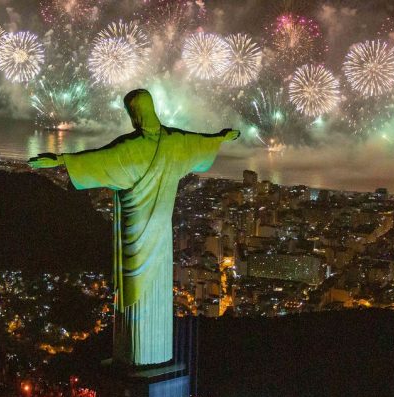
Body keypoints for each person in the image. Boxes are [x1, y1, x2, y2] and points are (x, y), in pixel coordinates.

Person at [29, 89, 239, 366]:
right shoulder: (176, 142)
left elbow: (97, 160)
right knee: (156, 288)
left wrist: (61, 160)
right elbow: (200, 144)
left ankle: (136, 355)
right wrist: (220, 138)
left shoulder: (131, 148)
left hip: (135, 233)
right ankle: (155, 353)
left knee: (133, 289)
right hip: (161, 235)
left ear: (135, 115)